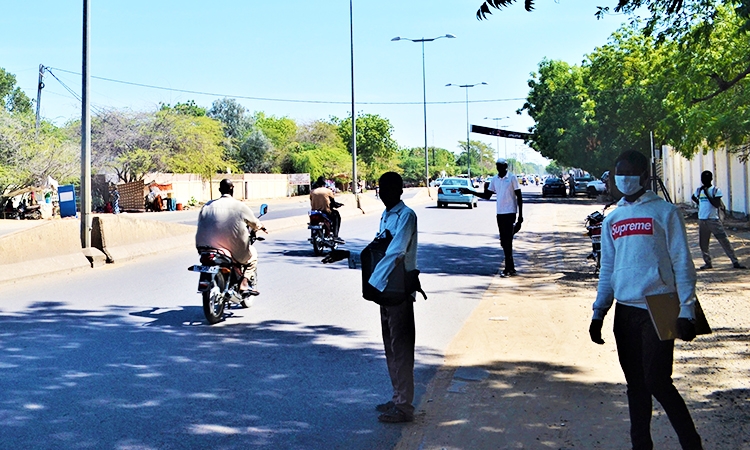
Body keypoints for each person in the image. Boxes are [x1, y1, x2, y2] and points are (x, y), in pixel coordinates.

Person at [589, 150, 703, 450]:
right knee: (636, 387)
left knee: (658, 382)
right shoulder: (612, 219)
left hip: (660, 306)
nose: (623, 178)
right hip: (625, 311)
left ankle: (692, 444)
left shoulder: (665, 213)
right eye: (618, 173)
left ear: (644, 174)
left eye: (629, 172)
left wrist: (687, 310)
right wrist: (599, 312)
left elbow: (682, 263)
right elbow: (608, 270)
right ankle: (641, 445)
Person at [322, 172, 419, 423]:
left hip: (398, 290)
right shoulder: (386, 215)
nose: (382, 194)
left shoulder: (406, 216)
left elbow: (395, 253)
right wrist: (348, 255)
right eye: (380, 189)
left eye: (387, 189)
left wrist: (374, 283)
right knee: (390, 348)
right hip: (386, 290)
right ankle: (398, 398)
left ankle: (405, 406)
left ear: (398, 190)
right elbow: (376, 250)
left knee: (401, 349)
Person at [195, 179, 266, 296]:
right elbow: (254, 223)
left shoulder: (206, 206)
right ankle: (244, 283)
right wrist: (261, 226)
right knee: (252, 255)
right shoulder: (240, 206)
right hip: (231, 249)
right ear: (232, 189)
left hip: (204, 247)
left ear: (219, 190)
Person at [460, 157, 523, 277]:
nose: (499, 168)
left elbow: (519, 197)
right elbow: (487, 195)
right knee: (504, 241)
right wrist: (471, 191)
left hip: (510, 212)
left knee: (507, 241)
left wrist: (520, 215)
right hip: (500, 213)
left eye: (502, 166)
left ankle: (507, 269)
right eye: (498, 166)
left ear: (506, 166)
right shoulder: (495, 179)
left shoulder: (512, 178)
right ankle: (511, 268)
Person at [690, 170, 746, 270]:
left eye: (706, 179)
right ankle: (708, 262)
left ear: (711, 179)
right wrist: (700, 203)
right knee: (703, 243)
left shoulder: (715, 190)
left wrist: (707, 193)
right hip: (702, 220)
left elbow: (716, 204)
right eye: (703, 179)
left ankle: (735, 261)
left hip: (713, 220)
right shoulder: (699, 190)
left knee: (724, 241)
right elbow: (693, 197)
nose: (704, 181)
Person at [310, 176, 344, 243]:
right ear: (324, 183)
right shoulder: (328, 191)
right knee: (336, 216)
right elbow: (333, 202)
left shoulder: (312, 191)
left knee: (312, 222)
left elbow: (311, 200)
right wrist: (338, 205)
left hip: (314, 212)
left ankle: (313, 235)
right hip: (325, 212)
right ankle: (335, 235)